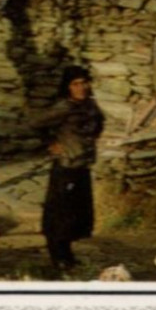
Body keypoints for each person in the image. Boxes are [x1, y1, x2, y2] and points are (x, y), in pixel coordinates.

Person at [36, 65, 105, 274]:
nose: (81, 87)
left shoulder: (91, 106)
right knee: (60, 215)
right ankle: (58, 258)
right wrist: (51, 143)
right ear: (68, 87)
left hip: (82, 166)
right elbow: (35, 123)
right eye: (76, 84)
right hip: (65, 167)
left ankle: (68, 257)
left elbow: (99, 124)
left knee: (76, 214)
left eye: (84, 82)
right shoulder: (63, 107)